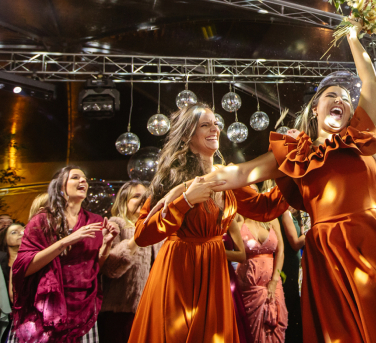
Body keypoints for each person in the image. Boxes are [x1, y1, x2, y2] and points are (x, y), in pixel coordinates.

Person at [156, 24, 376, 342]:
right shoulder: (293, 154)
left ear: (351, 113)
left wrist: (353, 39)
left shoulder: (361, 135)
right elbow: (240, 173)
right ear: (316, 109)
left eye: (346, 99)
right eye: (330, 96)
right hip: (328, 252)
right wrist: (186, 188)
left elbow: (371, 82)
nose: (340, 100)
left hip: (374, 239)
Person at [128, 104, 289, 343]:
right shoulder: (171, 177)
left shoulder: (227, 176)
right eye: (205, 124)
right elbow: (142, 235)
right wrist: (184, 201)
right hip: (178, 272)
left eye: (216, 123)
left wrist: (296, 172)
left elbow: (264, 208)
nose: (215, 129)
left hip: (214, 272)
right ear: (187, 135)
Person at [11, 166, 118, 343]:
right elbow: (24, 267)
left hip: (83, 309)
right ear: (61, 187)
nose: (83, 181)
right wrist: (66, 241)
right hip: (46, 310)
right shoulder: (42, 220)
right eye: (76, 177)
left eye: (84, 179)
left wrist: (106, 245)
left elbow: (93, 268)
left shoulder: (95, 221)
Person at [98, 181, 160, 343]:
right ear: (124, 202)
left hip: (154, 311)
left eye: (146, 197)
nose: (143, 200)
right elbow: (110, 269)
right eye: (136, 196)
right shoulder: (116, 225)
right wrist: (137, 238)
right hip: (121, 312)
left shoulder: (159, 229)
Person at [236, 208, 287, 343]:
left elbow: (281, 251)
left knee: (276, 326)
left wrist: (274, 281)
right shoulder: (238, 221)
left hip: (272, 282)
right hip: (248, 286)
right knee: (248, 330)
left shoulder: (272, 220)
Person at [223, 212, 251, 343]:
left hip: (226, 277)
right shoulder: (197, 223)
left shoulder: (229, 222)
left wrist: (215, 249)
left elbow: (241, 255)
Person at [278, 206, 305, 341]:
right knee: (292, 298)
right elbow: (295, 243)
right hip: (290, 263)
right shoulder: (285, 214)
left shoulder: (291, 215)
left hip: (293, 262)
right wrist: (309, 233)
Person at [0, 222, 24, 340]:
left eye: (23, 230)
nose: (21, 233)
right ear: (4, 239)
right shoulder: (1, 262)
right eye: (14, 232)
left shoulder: (34, 258)